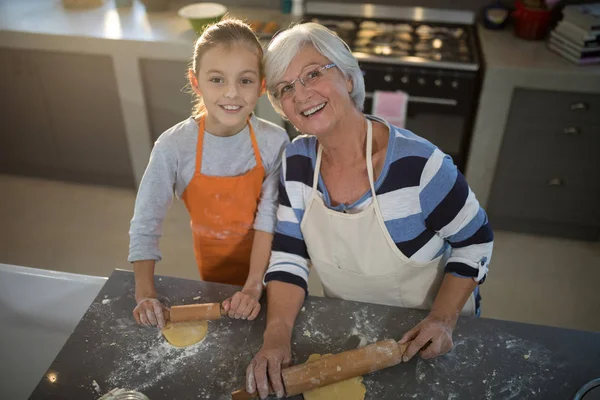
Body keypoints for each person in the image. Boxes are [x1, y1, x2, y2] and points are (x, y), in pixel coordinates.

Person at [245, 23, 494, 399]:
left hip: (427, 337)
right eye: (286, 88)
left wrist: (443, 318)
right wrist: (276, 337)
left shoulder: (420, 165)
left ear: (347, 77)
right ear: (284, 109)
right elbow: (289, 256)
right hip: (352, 331)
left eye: (313, 73)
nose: (302, 94)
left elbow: (475, 241)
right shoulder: (296, 162)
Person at [128, 18, 289, 330]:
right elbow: (146, 220)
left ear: (262, 84)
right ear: (195, 81)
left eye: (245, 81)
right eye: (217, 79)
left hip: (275, 267)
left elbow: (270, 217)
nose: (232, 94)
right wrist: (145, 293)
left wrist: (254, 286)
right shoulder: (174, 146)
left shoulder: (274, 141)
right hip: (214, 268)